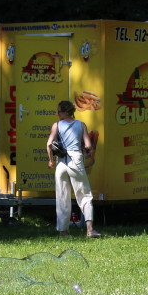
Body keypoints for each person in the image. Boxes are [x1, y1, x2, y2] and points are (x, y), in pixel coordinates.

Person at [47, 100, 101, 237]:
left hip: (61, 163)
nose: (57, 113)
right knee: (84, 195)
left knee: (62, 197)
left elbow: (49, 144)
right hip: (75, 159)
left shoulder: (56, 125)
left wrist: (51, 161)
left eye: (59, 111)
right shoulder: (81, 125)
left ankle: (63, 232)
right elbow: (88, 145)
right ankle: (90, 230)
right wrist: (82, 148)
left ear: (66, 112)